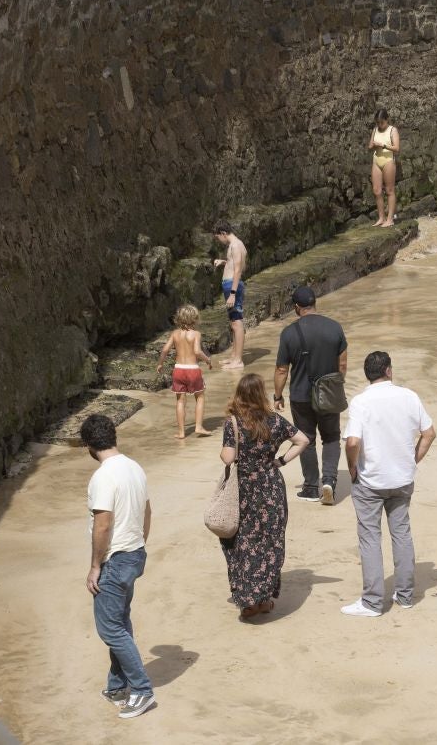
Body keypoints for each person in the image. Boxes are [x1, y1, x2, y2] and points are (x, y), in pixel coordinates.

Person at [340, 351, 436, 617]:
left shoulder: (361, 402)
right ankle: (405, 596)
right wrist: (412, 461)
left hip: (371, 480)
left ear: (367, 374)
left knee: (370, 538)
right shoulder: (409, 396)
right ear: (389, 371)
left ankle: (372, 602)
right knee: (401, 534)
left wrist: (351, 465)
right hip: (402, 479)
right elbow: (429, 434)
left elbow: (352, 442)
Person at [82, 414, 157, 719]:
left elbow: (103, 524)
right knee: (120, 621)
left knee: (110, 628)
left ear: (88, 445)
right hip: (135, 553)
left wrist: (95, 566)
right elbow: (147, 511)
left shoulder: (102, 476)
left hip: (115, 560)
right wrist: (139, 544)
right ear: (113, 436)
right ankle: (117, 686)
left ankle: (141, 690)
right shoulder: (134, 467)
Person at [219, 373, 310, 620]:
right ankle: (264, 598)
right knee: (270, 540)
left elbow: (228, 458)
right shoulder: (276, 421)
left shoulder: (234, 423)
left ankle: (248, 602)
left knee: (242, 540)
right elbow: (302, 440)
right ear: (260, 394)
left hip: (245, 489)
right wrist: (279, 461)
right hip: (270, 486)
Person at [273, 286, 348, 505]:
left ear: (297, 307)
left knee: (306, 439)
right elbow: (342, 364)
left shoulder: (289, 333)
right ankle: (330, 482)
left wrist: (277, 396)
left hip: (300, 395)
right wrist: (335, 385)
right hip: (328, 394)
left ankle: (310, 487)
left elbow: (281, 370)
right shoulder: (335, 328)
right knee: (331, 437)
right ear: (315, 303)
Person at [155, 305, 213, 440]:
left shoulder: (175, 334)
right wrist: (208, 360)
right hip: (192, 370)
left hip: (178, 369)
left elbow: (165, 349)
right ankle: (198, 426)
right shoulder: (196, 334)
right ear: (195, 319)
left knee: (180, 400)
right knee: (200, 397)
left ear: (179, 318)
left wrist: (160, 363)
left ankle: (181, 432)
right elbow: (198, 352)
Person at [212, 220, 248, 369]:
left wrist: (232, 293)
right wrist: (224, 262)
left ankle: (238, 360)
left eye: (218, 237)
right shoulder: (236, 245)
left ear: (223, 233)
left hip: (233, 286)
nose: (218, 241)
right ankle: (234, 356)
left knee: (236, 322)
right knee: (233, 322)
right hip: (230, 285)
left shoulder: (235, 245)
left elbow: (239, 269)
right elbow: (234, 264)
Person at [367, 108, 401, 228]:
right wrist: (373, 146)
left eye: (382, 122)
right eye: (378, 122)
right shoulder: (375, 130)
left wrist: (383, 145)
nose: (380, 125)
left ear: (387, 120)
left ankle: (390, 219)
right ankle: (381, 218)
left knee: (389, 190)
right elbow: (370, 146)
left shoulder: (393, 130)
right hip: (376, 160)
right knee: (376, 190)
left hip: (388, 161)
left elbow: (397, 148)